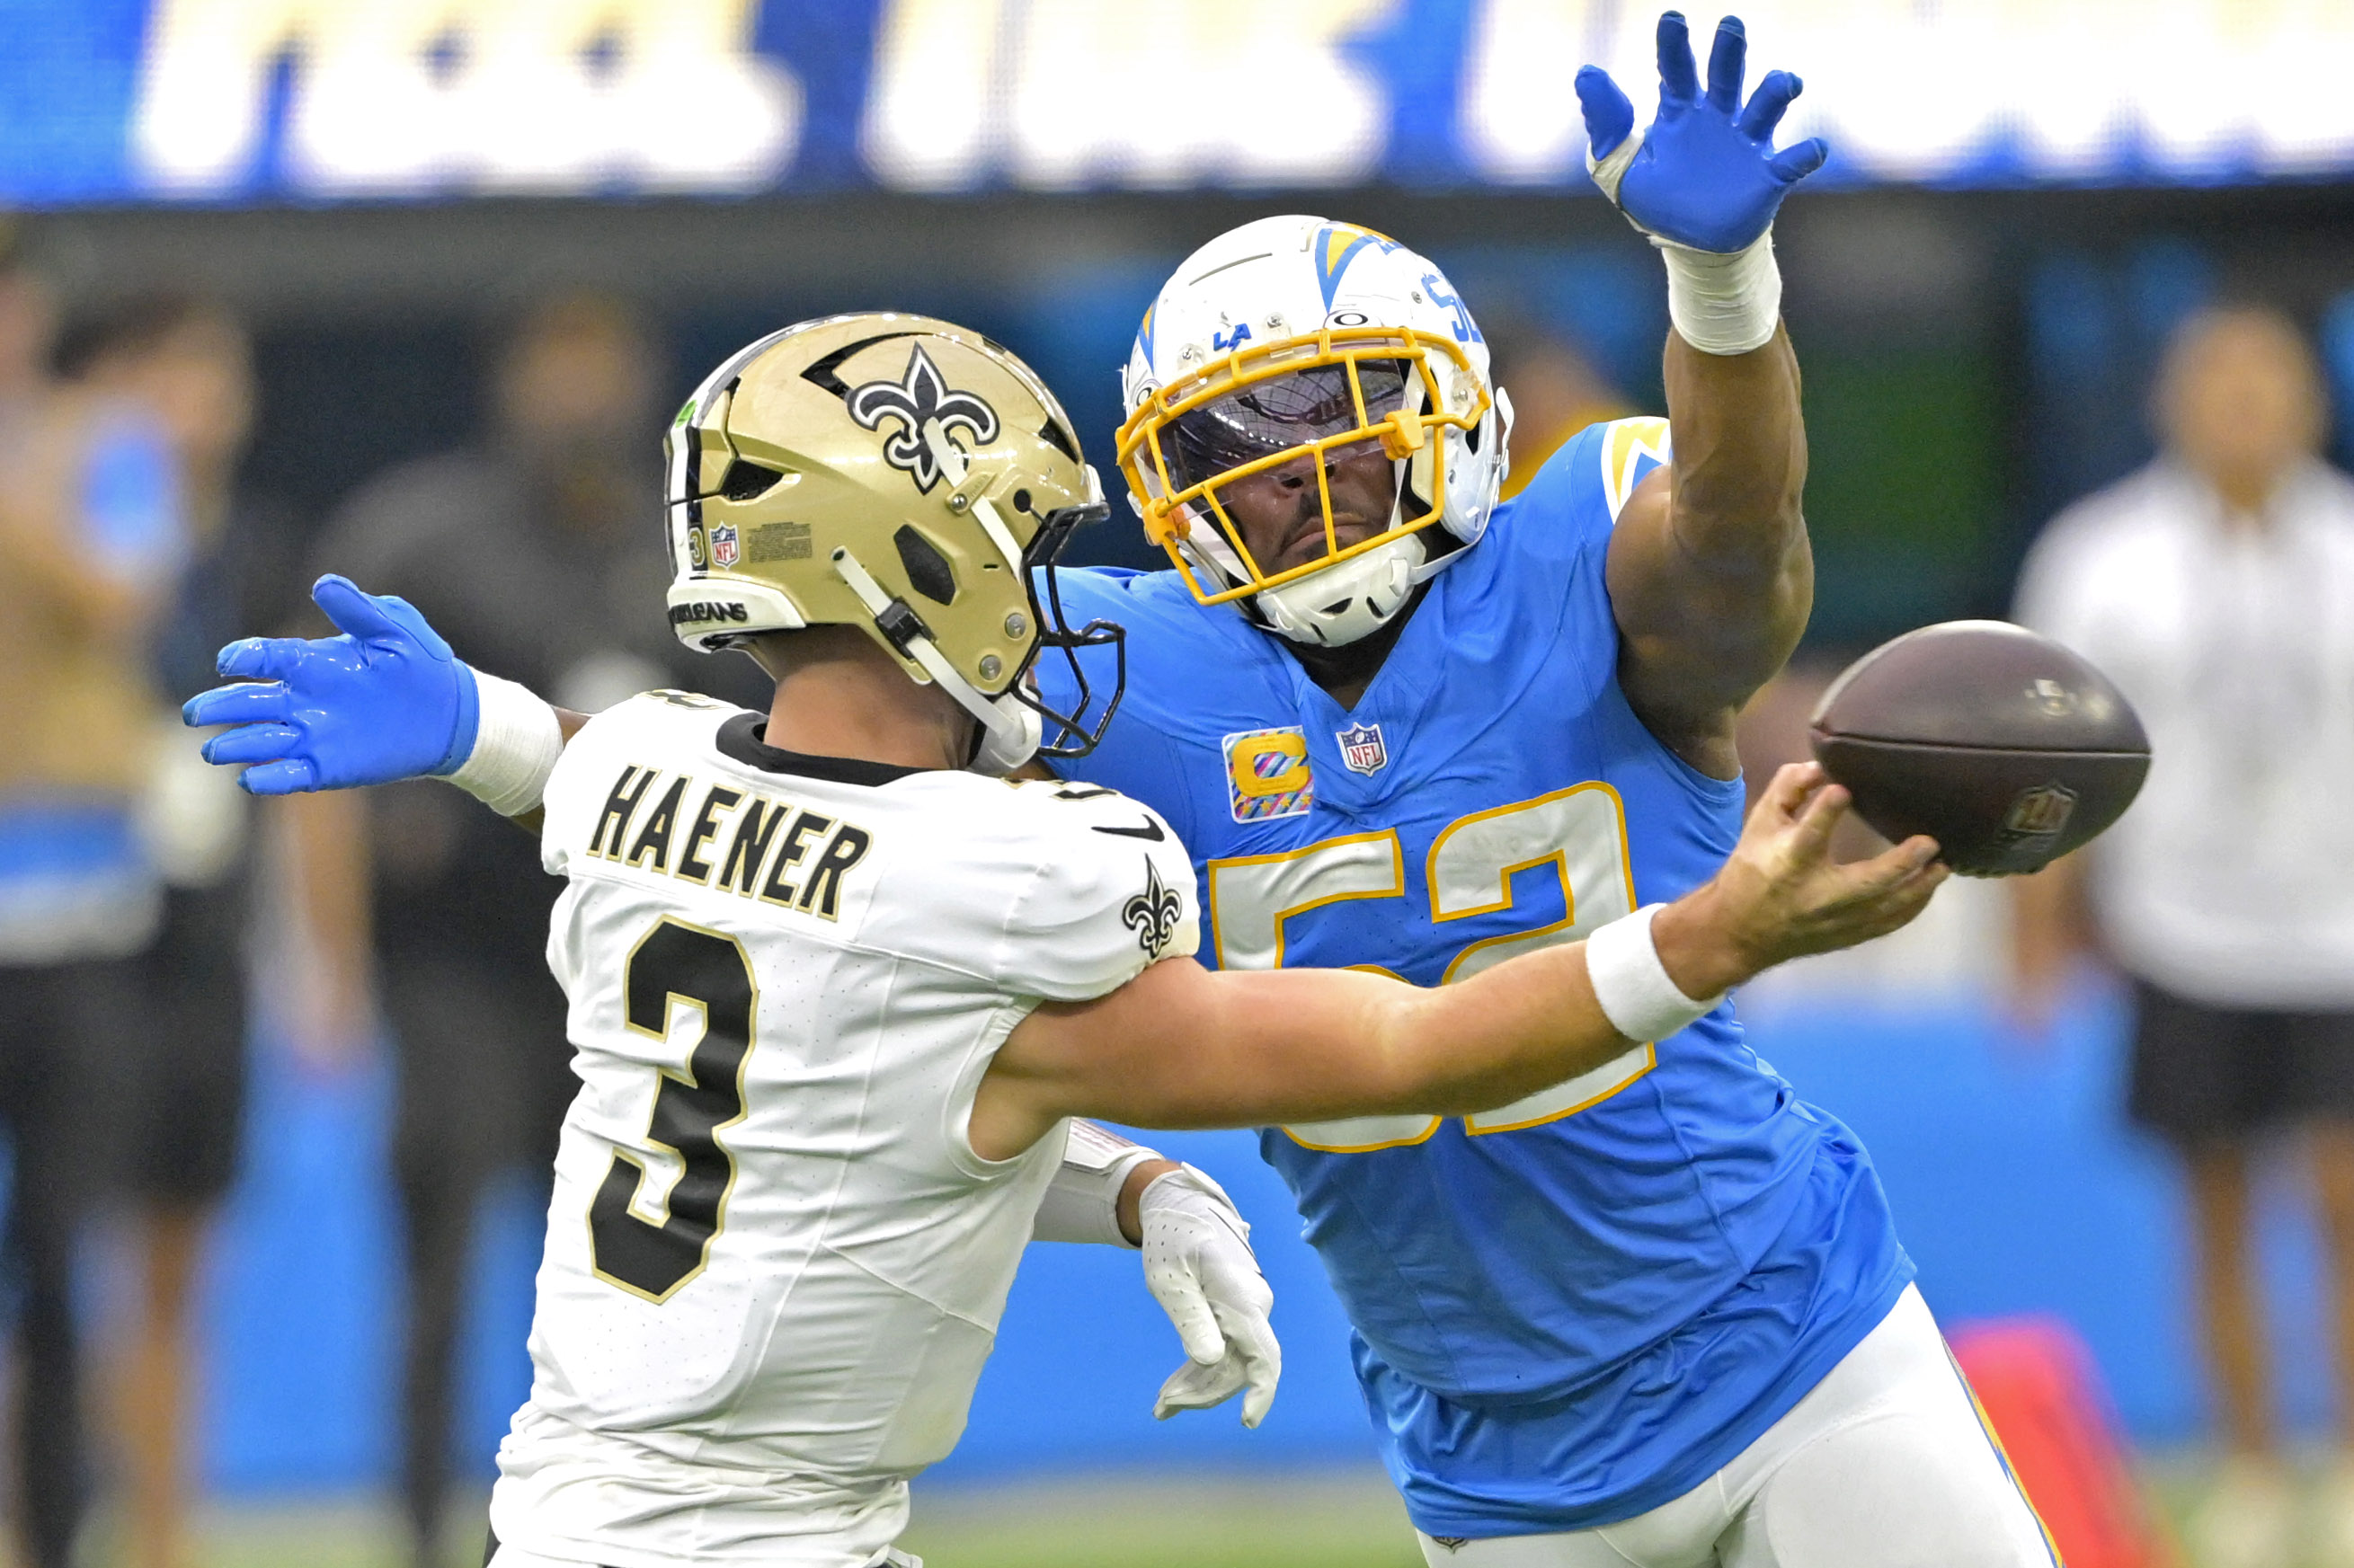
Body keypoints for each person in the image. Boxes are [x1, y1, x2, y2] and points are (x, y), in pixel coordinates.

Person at [186, 311, 1942, 1568]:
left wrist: (1137, 1193)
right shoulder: (1002, 872)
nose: (1047, 599)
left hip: (598, 1502)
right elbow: (1405, 1046)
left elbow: (848, 1088)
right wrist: (1708, 935)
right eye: (1010, 545)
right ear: (921, 568)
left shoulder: (635, 786)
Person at [1014, 15, 2049, 1564]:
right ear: (1170, 488)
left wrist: (1722, 294)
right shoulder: (1118, 673)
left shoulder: (1578, 548)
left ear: (1448, 408)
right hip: (1490, 1441)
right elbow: (826, 804)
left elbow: (1734, 559)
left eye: (1350, 415)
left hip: (1785, 1333)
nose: (1305, 478)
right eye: (1242, 446)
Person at [285, 293, 761, 1567]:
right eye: (557, 359)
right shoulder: (426, 533)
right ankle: (421, 1532)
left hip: (638, 983)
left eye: (600, 361)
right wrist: (328, 963)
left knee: (643, 1272)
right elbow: (320, 735)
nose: (579, 392)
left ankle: (623, 1527)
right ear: (507, 375)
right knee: (438, 1270)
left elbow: (780, 758)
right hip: (457, 973)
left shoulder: (700, 552)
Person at [2012, 304, 2354, 1568]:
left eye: (2266, 387)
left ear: (2309, 404)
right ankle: (2254, 1466)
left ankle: (2351, 1465)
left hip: (2342, 933)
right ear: (2173, 402)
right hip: (2184, 929)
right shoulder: (2100, 556)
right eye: (2218, 385)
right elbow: (2049, 759)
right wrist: (2034, 933)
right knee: (2213, 1208)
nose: (2243, 410)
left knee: (2343, 1197)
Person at [56, 295, 286, 1568]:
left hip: (206, 944)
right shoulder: (53, 538)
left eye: (222, 371)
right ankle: (40, 1518)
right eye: (180, 372)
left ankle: (163, 1539)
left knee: (177, 1264)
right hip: (74, 937)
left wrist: (318, 966)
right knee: (51, 1255)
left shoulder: (256, 549)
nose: (208, 398)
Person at [0, 242, 184, 1568]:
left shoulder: (107, 443)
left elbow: (125, 596)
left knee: (65, 1254)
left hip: (73, 906)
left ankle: (61, 1535)